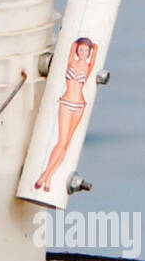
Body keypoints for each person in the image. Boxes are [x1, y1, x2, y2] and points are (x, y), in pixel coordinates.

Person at [33, 37, 97, 193]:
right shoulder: (71, 63)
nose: (83, 52)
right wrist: (80, 44)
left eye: (85, 51)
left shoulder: (88, 67)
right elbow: (73, 45)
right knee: (61, 142)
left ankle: (48, 176)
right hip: (66, 103)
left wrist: (92, 47)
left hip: (79, 105)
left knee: (66, 144)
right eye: (81, 50)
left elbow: (95, 51)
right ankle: (45, 175)